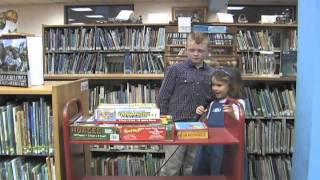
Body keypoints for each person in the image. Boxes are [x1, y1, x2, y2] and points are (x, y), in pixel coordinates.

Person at [157, 32, 214, 176]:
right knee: (171, 167)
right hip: (175, 125)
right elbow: (163, 97)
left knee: (193, 167)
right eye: (192, 50)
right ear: (186, 48)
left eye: (200, 50)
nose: (196, 54)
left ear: (207, 51)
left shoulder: (212, 73)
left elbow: (213, 100)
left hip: (199, 127)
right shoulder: (175, 70)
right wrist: (165, 124)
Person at [192, 66, 245, 175]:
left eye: (219, 85)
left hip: (227, 151)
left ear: (231, 86)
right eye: (213, 85)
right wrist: (200, 116)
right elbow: (206, 124)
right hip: (209, 148)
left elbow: (239, 127)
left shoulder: (237, 103)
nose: (215, 88)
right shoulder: (212, 104)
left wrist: (232, 115)